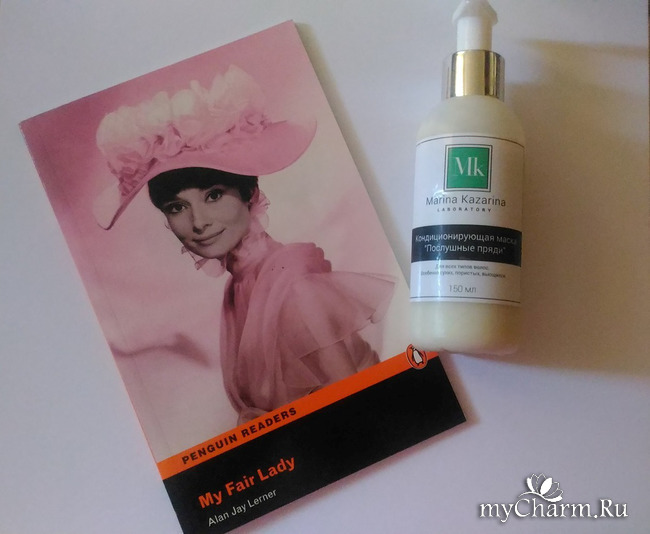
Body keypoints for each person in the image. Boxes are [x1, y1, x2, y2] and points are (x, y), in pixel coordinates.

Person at [93, 65, 394, 424]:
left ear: (249, 193)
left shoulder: (293, 287)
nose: (198, 222)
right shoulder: (242, 287)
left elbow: (364, 413)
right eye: (177, 207)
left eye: (213, 195)